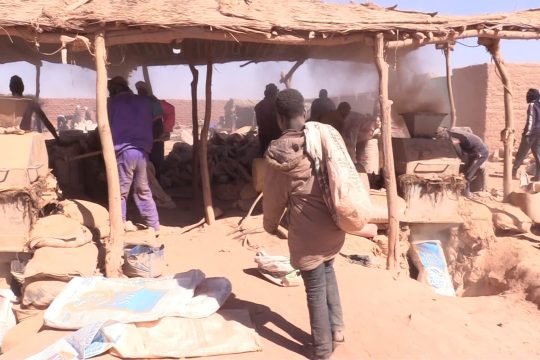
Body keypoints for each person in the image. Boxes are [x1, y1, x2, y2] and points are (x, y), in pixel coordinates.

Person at [263, 89, 345, 360]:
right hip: (333, 223)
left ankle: (322, 349)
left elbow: (274, 199)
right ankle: (337, 330)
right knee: (329, 271)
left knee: (315, 287)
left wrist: (270, 225)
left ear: (279, 118)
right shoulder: (322, 139)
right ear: (305, 112)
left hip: (307, 233)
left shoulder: (278, 152)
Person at [108, 76, 160, 234]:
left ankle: (120, 224)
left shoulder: (113, 103)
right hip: (142, 151)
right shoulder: (143, 101)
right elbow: (155, 120)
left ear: (114, 89)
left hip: (124, 150)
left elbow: (106, 125)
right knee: (143, 189)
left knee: (121, 192)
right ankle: (154, 225)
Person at [446, 127, 489, 198]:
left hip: (480, 155)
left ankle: (467, 193)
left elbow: (460, 153)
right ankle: (463, 189)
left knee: (468, 174)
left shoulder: (457, 138)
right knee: (464, 171)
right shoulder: (456, 134)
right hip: (472, 153)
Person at [135, 81, 165, 180]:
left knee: (156, 160)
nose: (140, 92)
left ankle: (158, 183)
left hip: (155, 131)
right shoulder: (138, 101)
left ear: (146, 90)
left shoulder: (153, 101)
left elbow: (157, 117)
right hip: (146, 133)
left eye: (141, 90)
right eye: (138, 90)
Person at [513, 88, 540, 179]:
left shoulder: (532, 105)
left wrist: (527, 133)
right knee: (537, 153)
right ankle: (538, 175)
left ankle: (513, 173)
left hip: (531, 133)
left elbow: (531, 120)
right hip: (538, 133)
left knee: (521, 153)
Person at [254, 83, 281, 155]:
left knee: (264, 154)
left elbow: (259, 122)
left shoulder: (259, 106)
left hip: (263, 136)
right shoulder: (278, 105)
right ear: (275, 92)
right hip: (275, 136)